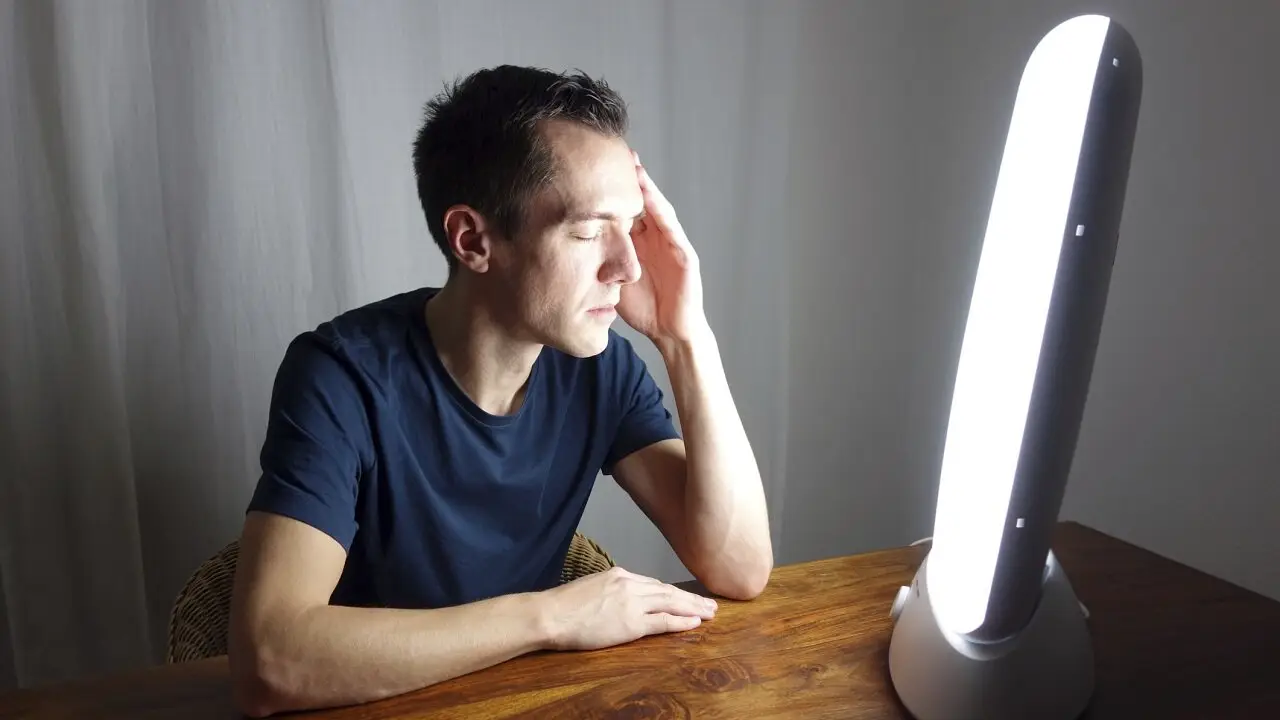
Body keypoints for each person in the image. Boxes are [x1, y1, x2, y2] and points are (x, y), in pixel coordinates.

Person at [227, 64, 772, 718]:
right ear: (473, 240)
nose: (627, 267)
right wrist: (550, 618)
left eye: (632, 227)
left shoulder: (599, 369)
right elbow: (271, 660)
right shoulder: (341, 376)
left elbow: (738, 567)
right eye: (590, 230)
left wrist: (687, 338)